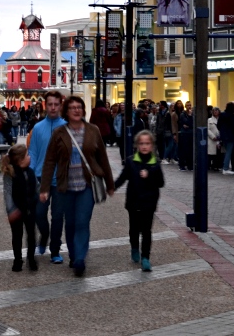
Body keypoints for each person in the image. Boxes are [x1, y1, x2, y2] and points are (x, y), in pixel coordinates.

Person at [40, 95, 115, 276]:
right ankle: (74, 255)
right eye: (72, 107)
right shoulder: (59, 132)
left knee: (82, 222)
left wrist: (110, 183)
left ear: (83, 110)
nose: (76, 110)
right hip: (65, 185)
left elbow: (102, 158)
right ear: (66, 111)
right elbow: (50, 161)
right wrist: (44, 188)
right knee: (71, 223)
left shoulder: (93, 130)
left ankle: (80, 258)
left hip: (86, 185)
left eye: (79, 107)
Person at [115, 130, 164, 272]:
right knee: (134, 228)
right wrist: (113, 187)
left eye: (147, 143)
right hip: (134, 200)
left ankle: (145, 257)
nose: (144, 146)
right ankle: (134, 247)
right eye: (141, 143)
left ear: (152, 146)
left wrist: (150, 174)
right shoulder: (131, 161)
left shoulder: (155, 163)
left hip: (149, 201)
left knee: (147, 230)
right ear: (136, 145)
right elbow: (123, 177)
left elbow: (161, 183)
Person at [28, 90, 67, 264]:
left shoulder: (67, 127)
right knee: (39, 213)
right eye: (49, 104)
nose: (52, 107)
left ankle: (55, 250)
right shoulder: (37, 128)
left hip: (59, 179)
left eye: (55, 104)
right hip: (40, 178)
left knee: (58, 216)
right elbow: (33, 152)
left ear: (60, 105)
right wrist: (30, 173)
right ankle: (44, 235)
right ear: (45, 105)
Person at [2, 144, 39, 272]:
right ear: (20, 159)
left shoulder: (30, 172)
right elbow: (7, 193)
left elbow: (36, 187)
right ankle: (17, 260)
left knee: (31, 235)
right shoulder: (10, 174)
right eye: (27, 155)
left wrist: (39, 197)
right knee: (17, 236)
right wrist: (11, 210)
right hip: (17, 210)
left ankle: (31, 258)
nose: (30, 157)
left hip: (30, 208)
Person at [219, 102, 234, 175]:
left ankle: (224, 166)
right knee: (229, 152)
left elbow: (218, 125)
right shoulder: (233, 116)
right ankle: (225, 168)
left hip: (223, 135)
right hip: (231, 136)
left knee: (225, 151)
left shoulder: (222, 115)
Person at [177, 101, 194, 171]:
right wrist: (189, 117)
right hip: (184, 134)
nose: (189, 107)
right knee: (183, 150)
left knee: (190, 150)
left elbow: (192, 123)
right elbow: (185, 121)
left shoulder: (193, 114)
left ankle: (190, 165)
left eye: (190, 105)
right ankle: (182, 165)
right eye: (187, 105)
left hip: (191, 133)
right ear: (185, 106)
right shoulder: (182, 114)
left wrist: (188, 123)